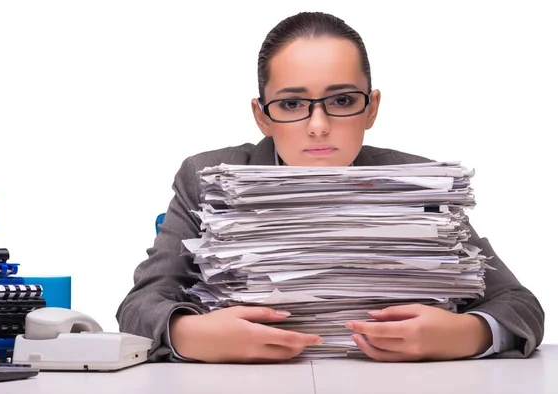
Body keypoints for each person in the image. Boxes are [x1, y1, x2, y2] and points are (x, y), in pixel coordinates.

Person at [115, 11, 544, 363]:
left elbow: (519, 304)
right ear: (262, 115)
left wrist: (469, 334)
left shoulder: (420, 185)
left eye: (341, 101)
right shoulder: (208, 177)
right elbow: (140, 305)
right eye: (291, 104)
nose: (318, 127)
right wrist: (187, 333)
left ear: (371, 107)